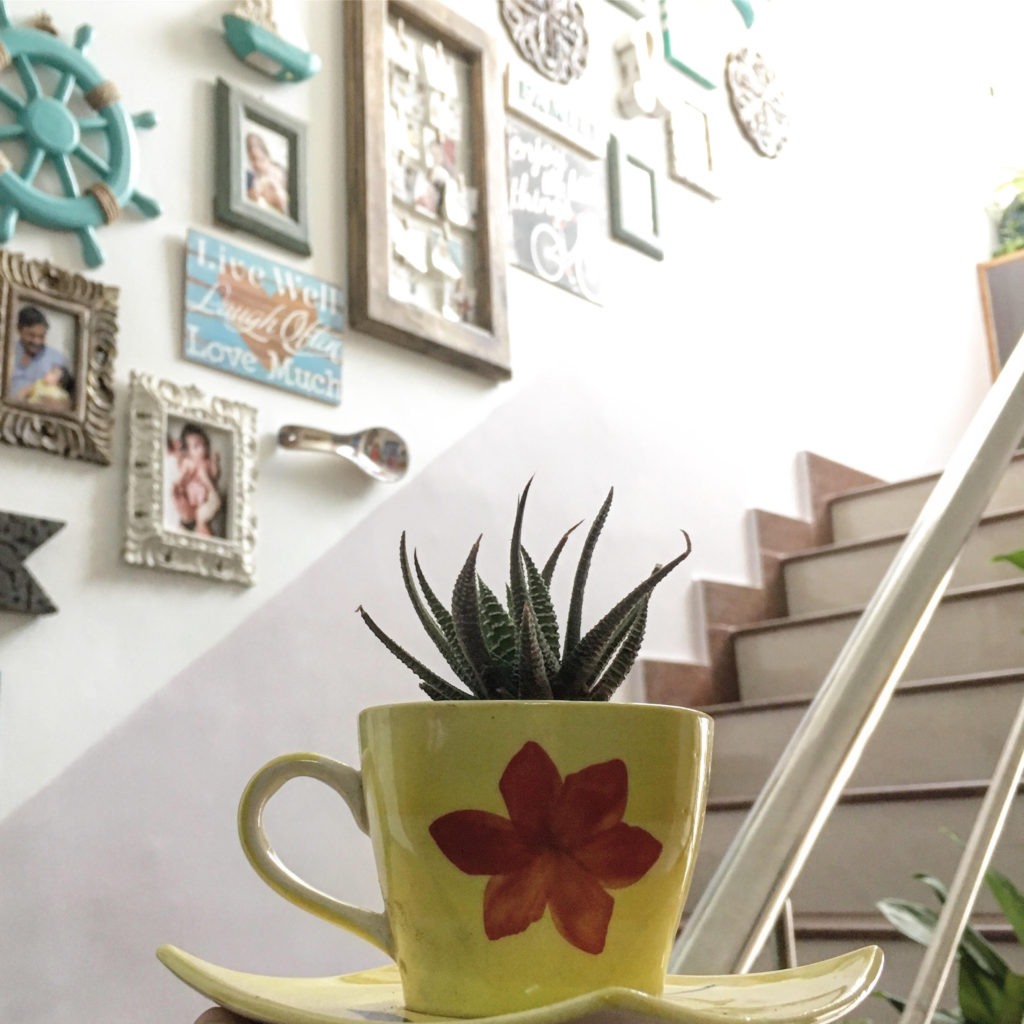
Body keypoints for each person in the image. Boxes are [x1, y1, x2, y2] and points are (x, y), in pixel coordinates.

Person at [168, 423, 224, 538]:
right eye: (196, 447)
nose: (202, 449)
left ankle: (199, 525)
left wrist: (215, 462)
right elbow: (183, 477)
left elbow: (214, 474)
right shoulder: (189, 462)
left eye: (204, 445)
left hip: (204, 497)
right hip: (191, 495)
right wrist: (185, 478)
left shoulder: (207, 463)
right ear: (188, 452)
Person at [7, 305, 70, 404]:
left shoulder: (58, 360)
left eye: (41, 336)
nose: (37, 341)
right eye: (31, 335)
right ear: (19, 330)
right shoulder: (6, 353)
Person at [245, 131, 289, 216]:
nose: (256, 164)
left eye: (259, 158)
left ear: (265, 155)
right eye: (252, 159)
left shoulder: (278, 172)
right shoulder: (251, 179)